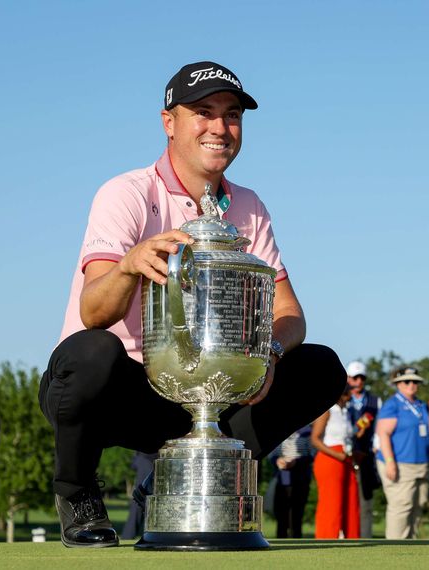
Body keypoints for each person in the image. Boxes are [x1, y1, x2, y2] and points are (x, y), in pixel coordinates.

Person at [40, 60, 345, 547]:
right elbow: (93, 314)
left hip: (202, 392)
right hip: (115, 389)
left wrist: (269, 354)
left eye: (232, 115)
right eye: (203, 112)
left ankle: (172, 478)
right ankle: (77, 493)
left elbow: (290, 314)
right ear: (169, 122)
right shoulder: (127, 193)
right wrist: (128, 265)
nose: (220, 128)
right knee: (91, 351)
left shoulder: (249, 206)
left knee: (320, 367)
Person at [375, 366, 429, 539]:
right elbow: (383, 433)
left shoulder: (421, 405)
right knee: (401, 505)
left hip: (421, 463)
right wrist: (390, 461)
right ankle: (394, 548)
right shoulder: (392, 405)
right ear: (398, 384)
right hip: (399, 462)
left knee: (418, 504)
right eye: (407, 381)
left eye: (415, 381)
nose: (411, 384)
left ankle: (410, 545)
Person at [311, 386, 359, 539]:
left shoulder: (345, 412)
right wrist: (337, 455)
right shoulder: (327, 410)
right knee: (331, 502)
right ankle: (327, 537)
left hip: (346, 457)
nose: (349, 398)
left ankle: (352, 538)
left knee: (351, 500)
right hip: (330, 458)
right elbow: (315, 439)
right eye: (347, 394)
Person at [344, 361, 382, 538]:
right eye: (354, 377)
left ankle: (366, 536)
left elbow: (379, 428)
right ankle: (343, 536)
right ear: (348, 378)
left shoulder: (375, 401)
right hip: (344, 455)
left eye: (361, 378)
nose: (358, 381)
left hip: (366, 455)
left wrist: (376, 447)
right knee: (346, 499)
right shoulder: (340, 399)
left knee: (366, 501)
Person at [269, 424, 313, 538]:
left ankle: (296, 537)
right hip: (284, 474)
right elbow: (272, 454)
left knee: (297, 510)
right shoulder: (279, 431)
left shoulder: (307, 431)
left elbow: (312, 455)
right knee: (282, 509)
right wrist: (277, 460)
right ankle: (281, 537)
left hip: (301, 475)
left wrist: (296, 463)